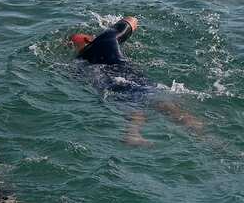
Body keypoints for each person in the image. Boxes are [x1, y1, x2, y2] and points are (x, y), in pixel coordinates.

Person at [69, 15, 204, 145]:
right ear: (88, 39)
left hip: (110, 86)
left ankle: (132, 133)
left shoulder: (78, 62)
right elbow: (131, 20)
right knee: (169, 106)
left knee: (134, 108)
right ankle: (203, 136)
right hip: (132, 79)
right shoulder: (105, 39)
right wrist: (109, 27)